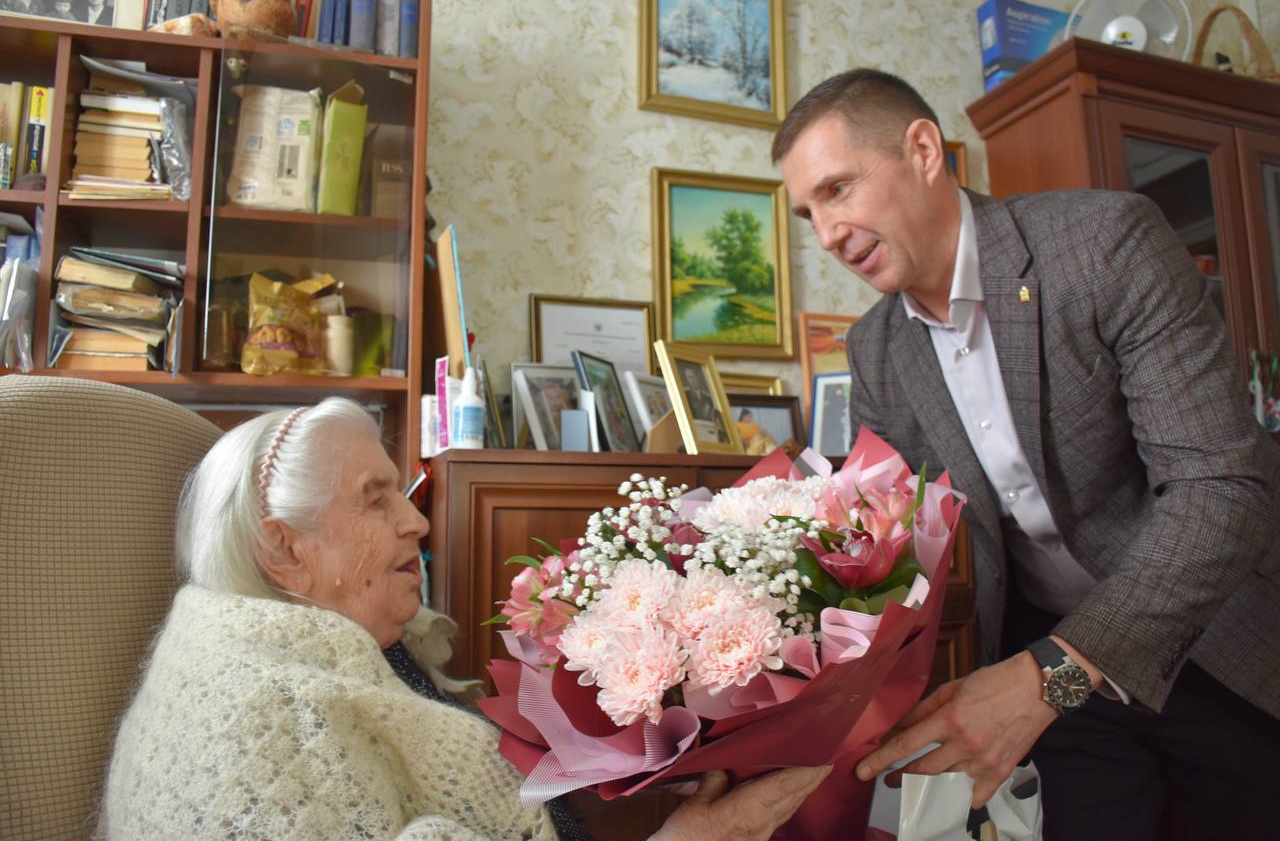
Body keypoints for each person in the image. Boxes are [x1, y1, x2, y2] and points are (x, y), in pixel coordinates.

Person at [773, 68, 1280, 840]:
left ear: (922, 151)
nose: (828, 235)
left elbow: (1223, 488)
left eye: (839, 190)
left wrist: (1055, 672)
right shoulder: (874, 346)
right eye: (809, 213)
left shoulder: (1104, 243)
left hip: (1209, 642)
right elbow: (897, 547)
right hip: (1042, 666)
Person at [99, 397, 829, 839]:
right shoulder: (257, 716)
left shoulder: (354, 653)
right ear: (283, 549)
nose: (416, 522)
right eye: (375, 497)